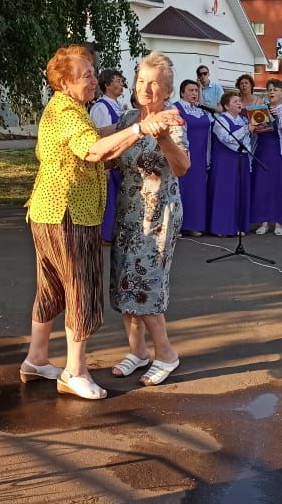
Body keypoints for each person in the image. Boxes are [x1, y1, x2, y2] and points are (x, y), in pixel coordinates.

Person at [22, 45, 182, 400]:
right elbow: (95, 150)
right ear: (64, 82)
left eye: (94, 72)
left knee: (51, 288)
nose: (96, 79)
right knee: (83, 288)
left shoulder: (69, 109)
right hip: (69, 214)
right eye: (87, 75)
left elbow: (103, 144)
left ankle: (36, 358)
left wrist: (141, 128)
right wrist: (141, 129)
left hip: (52, 212)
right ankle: (74, 371)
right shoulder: (69, 112)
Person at [108, 52, 190, 387]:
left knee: (146, 286)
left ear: (167, 90)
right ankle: (137, 351)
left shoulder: (174, 120)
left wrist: (162, 136)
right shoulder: (128, 118)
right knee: (124, 282)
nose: (147, 88)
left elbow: (183, 168)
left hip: (159, 215)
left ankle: (166, 354)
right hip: (128, 212)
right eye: (142, 81)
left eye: (154, 83)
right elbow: (109, 157)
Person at [250, 79, 282, 236]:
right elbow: (256, 131)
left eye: (275, 89)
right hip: (264, 151)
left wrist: (279, 118)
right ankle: (264, 221)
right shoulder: (261, 108)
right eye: (269, 89)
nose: (271, 92)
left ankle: (280, 222)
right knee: (263, 187)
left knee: (281, 186)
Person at [207, 91, 254, 237]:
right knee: (225, 193)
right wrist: (246, 130)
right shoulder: (220, 121)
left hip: (241, 159)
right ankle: (222, 227)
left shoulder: (243, 120)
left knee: (239, 192)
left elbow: (246, 142)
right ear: (226, 106)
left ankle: (237, 225)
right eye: (235, 101)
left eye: (240, 101)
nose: (239, 103)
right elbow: (227, 139)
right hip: (225, 162)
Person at [90, 68, 126, 242]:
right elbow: (100, 134)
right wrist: (126, 125)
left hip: (119, 159)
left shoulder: (117, 106)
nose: (121, 84)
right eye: (117, 81)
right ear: (107, 85)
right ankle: (106, 234)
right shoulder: (100, 107)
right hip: (108, 161)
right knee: (109, 199)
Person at [175, 78, 211, 235]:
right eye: (191, 90)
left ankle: (194, 225)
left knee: (197, 190)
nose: (194, 93)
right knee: (182, 189)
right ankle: (178, 226)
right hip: (184, 154)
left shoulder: (201, 111)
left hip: (201, 155)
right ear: (182, 92)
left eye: (196, 91)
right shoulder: (175, 108)